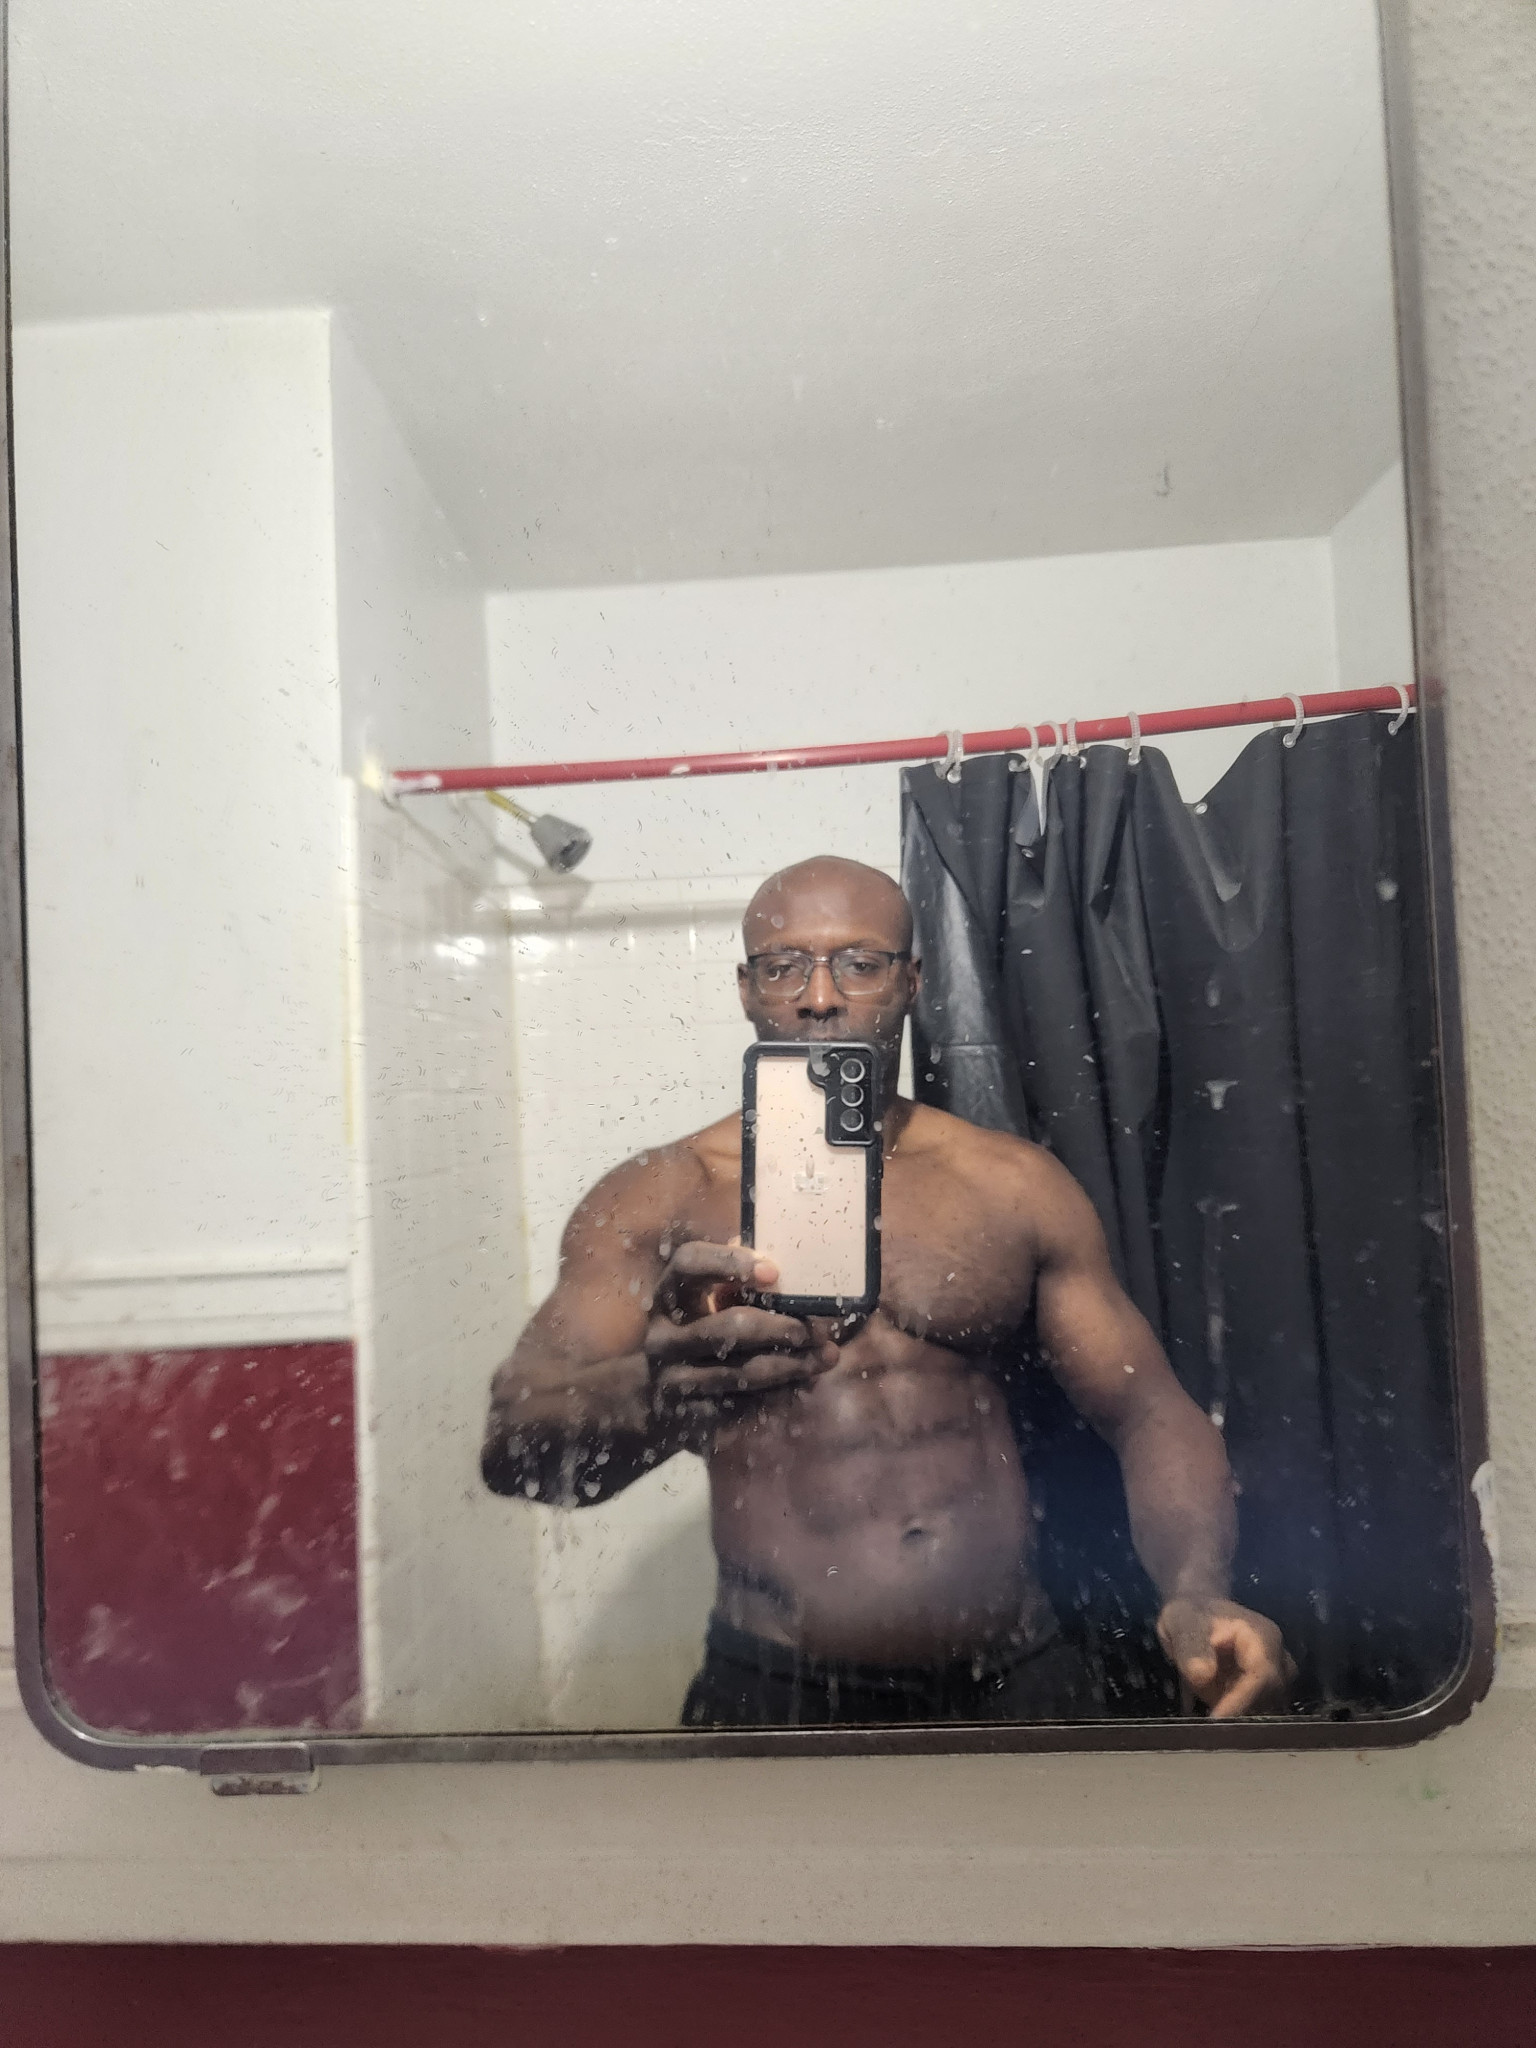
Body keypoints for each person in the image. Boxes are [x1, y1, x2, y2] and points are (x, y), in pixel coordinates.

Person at [482, 855, 1294, 1726]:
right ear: (747, 990)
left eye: (859, 963)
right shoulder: (662, 1194)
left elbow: (1147, 1412)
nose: (818, 997)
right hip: (779, 1686)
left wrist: (1195, 1590)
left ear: (912, 982)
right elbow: (513, 1447)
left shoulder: (1009, 1184)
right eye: (783, 966)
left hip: (1018, 1673)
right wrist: (659, 1387)